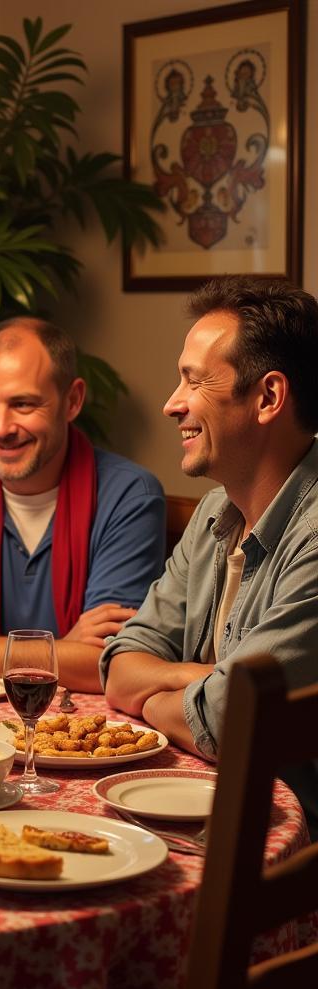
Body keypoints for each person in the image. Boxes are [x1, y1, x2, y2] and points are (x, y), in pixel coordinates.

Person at [102, 276, 318, 837]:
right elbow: (122, 666)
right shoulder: (214, 511)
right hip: (203, 816)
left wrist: (163, 701)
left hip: (286, 853)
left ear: (268, 398)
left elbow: (228, 723)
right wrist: (197, 677)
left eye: (194, 381)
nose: (172, 404)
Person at [0, 317, 166, 692]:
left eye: (23, 404)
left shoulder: (130, 496)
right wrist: (58, 649)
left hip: (80, 738)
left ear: (72, 401)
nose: (1, 427)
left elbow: (112, 663)